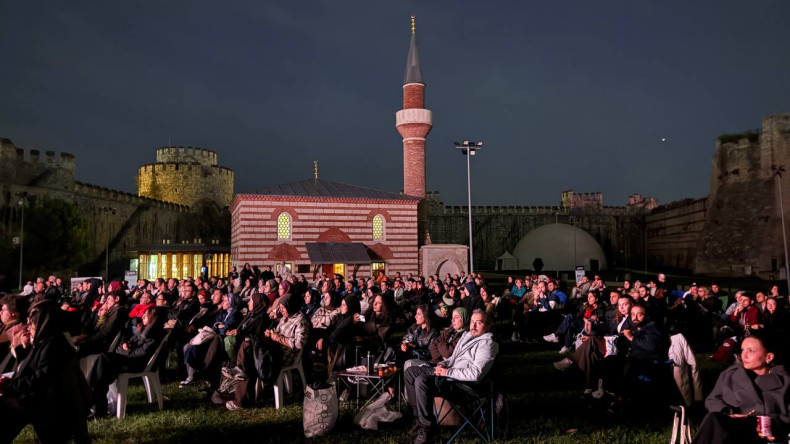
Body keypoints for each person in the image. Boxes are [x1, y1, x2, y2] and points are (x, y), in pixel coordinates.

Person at [0, 301, 91, 443]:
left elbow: (39, 378)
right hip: (39, 396)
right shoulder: (46, 341)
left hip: (49, 403)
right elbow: (31, 369)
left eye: (31, 323)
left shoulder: (53, 345)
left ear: (43, 324)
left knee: (6, 408)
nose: (28, 327)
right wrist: (23, 349)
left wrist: (10, 385)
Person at [404, 310, 499, 444]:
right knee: (411, 372)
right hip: (450, 376)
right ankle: (418, 418)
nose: (474, 326)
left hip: (463, 387)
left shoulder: (488, 344)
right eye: (472, 322)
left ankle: (428, 429)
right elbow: (453, 358)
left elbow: (475, 374)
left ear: (488, 326)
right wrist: (442, 365)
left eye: (479, 323)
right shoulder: (467, 336)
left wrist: (447, 373)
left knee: (422, 381)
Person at [694, 331, 790, 443]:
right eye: (742, 349)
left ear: (768, 356)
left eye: (751, 351)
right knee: (715, 419)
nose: (744, 355)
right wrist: (728, 413)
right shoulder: (730, 375)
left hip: (766, 435)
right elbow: (712, 400)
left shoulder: (785, 380)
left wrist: (772, 422)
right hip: (733, 429)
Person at [88, 306, 166, 418]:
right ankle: (95, 406)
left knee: (103, 360)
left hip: (136, 364)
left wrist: (126, 350)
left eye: (146, 314)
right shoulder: (144, 330)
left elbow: (140, 355)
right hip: (128, 359)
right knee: (102, 364)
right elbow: (127, 343)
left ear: (154, 317)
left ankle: (93, 404)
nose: (142, 316)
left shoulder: (154, 333)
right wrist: (126, 346)